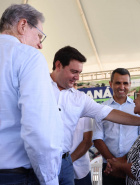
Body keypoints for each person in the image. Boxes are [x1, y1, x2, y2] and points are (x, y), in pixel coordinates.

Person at [50, 46, 140, 184]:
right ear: (58, 65)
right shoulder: (37, 87)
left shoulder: (79, 98)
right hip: (36, 162)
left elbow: (108, 113)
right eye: (74, 72)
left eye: (79, 72)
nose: (77, 77)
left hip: (66, 163)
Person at [0, 4, 63, 185]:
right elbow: (38, 127)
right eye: (39, 35)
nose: (40, 45)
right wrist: (50, 179)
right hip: (14, 176)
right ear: (22, 25)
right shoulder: (27, 56)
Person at [93, 68, 140, 185]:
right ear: (110, 84)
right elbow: (97, 138)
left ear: (130, 85)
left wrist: (123, 160)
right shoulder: (101, 108)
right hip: (109, 167)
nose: (122, 87)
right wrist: (113, 162)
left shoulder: (137, 108)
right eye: (118, 83)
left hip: (132, 165)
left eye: (125, 83)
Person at [70, 117, 93, 185]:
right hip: (55, 170)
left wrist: (67, 162)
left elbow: (87, 141)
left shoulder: (84, 110)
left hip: (80, 169)